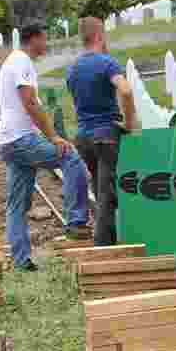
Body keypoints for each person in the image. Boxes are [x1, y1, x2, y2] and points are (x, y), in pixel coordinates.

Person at [0, 23, 91, 272]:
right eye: (44, 40)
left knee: (17, 205)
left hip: (9, 140)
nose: (46, 45)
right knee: (70, 158)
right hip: (20, 139)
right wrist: (54, 137)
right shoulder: (21, 61)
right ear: (34, 39)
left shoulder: (13, 62)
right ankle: (76, 222)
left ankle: (21, 261)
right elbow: (29, 102)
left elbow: (26, 106)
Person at [66, 17, 138, 247]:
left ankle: (110, 239)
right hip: (106, 135)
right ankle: (103, 247)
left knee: (100, 190)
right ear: (99, 36)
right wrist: (129, 123)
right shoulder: (107, 63)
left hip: (84, 138)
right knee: (108, 195)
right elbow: (125, 91)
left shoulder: (73, 69)